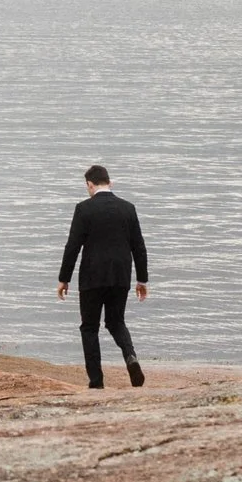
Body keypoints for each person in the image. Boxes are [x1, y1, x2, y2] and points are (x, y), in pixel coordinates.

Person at [55, 164, 148, 389]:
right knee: (116, 322)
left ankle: (96, 382)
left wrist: (63, 278)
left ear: (90, 184)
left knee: (89, 327)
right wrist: (142, 280)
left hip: (92, 277)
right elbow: (139, 246)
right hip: (120, 275)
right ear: (110, 182)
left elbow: (73, 247)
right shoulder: (128, 208)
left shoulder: (83, 209)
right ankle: (130, 356)